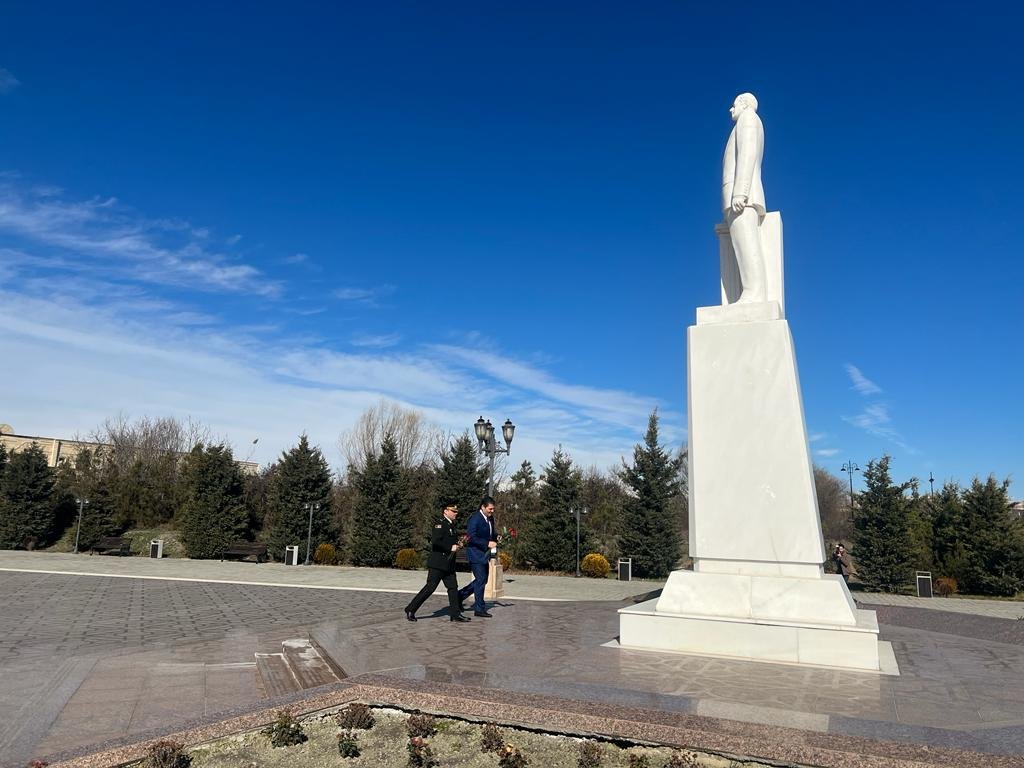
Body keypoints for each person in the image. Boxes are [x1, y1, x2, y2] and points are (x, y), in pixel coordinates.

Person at [722, 92, 767, 304]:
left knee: (746, 243)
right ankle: (750, 291)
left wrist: (741, 191)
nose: (731, 109)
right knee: (741, 245)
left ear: (743, 104)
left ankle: (753, 293)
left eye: (734, 105)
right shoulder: (744, 122)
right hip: (738, 198)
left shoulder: (748, 118)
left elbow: (747, 153)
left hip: (742, 198)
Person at [404, 501, 471, 622]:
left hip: (449, 564)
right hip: (438, 563)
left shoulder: (451, 525)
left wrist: (458, 544)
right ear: (445, 511)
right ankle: (411, 609)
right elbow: (436, 541)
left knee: (453, 588)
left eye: (456, 511)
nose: (456, 513)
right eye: (453, 511)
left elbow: (450, 541)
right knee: (430, 588)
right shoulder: (439, 524)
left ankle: (455, 614)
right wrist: (450, 547)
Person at [457, 496, 498, 617]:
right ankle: (479, 608)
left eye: (493, 509)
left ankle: (459, 595)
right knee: (481, 580)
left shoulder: (490, 519)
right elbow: (471, 537)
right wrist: (487, 543)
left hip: (485, 555)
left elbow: (491, 534)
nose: (492, 511)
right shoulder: (475, 519)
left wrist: (497, 537)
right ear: (483, 507)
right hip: (475, 554)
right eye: (490, 509)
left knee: (483, 580)